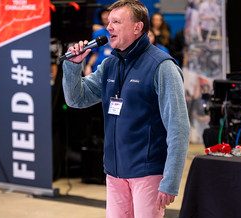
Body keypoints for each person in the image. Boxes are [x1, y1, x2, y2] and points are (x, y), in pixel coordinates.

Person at [62, 0, 190, 217]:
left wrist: (170, 180)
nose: (108, 27)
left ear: (137, 27)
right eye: (108, 21)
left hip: (147, 173)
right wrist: (73, 66)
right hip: (114, 172)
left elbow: (178, 128)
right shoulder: (110, 65)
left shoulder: (162, 66)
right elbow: (76, 99)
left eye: (116, 22)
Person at [85, 8, 112, 76]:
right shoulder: (97, 33)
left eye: (108, 14)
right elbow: (95, 53)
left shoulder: (118, 32)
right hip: (98, 67)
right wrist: (88, 66)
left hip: (113, 65)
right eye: (104, 14)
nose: (105, 16)